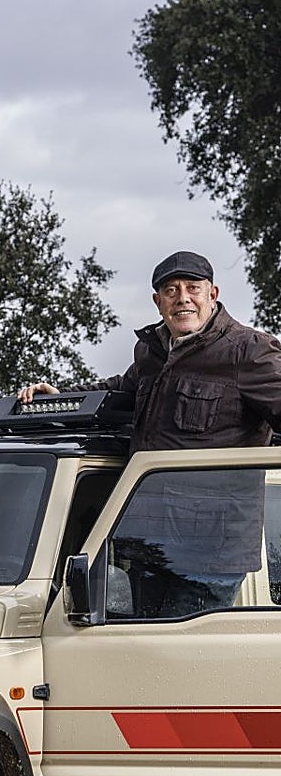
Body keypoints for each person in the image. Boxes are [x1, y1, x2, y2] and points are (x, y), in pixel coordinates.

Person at [20, 251, 281, 617]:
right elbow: (119, 390)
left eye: (193, 288)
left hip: (210, 553)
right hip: (147, 542)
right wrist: (61, 396)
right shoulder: (151, 351)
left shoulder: (249, 351)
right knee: (143, 647)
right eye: (171, 291)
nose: (182, 298)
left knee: (179, 651)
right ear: (158, 302)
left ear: (212, 294)